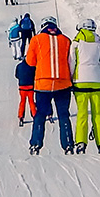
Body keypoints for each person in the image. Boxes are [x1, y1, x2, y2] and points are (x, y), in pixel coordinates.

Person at [24, 17, 74, 155]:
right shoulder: (65, 40)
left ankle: (36, 144)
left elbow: (30, 62)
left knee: (40, 115)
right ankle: (68, 145)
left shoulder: (36, 39)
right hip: (63, 83)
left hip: (43, 83)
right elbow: (71, 61)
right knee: (64, 115)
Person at [70, 19, 100, 154]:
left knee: (82, 114)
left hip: (80, 81)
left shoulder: (76, 44)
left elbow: (72, 62)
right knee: (97, 114)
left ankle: (81, 143)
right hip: (97, 82)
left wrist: (71, 79)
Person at [15, 55, 37, 126]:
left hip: (22, 87)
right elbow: (35, 75)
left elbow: (16, 75)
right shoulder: (32, 67)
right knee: (31, 102)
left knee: (22, 102)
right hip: (30, 87)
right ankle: (34, 115)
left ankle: (21, 116)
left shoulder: (19, 66)